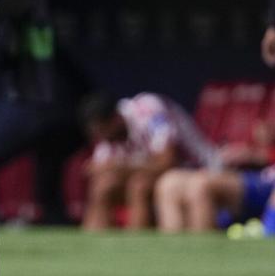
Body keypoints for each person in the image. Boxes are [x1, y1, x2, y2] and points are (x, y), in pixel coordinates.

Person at [80, 93, 215, 231]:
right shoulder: (109, 133)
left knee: (139, 185)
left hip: (198, 167)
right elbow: (105, 169)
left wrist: (119, 167)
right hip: (157, 172)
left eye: (103, 130)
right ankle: (92, 246)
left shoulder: (148, 110)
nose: (102, 137)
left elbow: (167, 161)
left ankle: (135, 247)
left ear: (115, 119)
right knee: (103, 186)